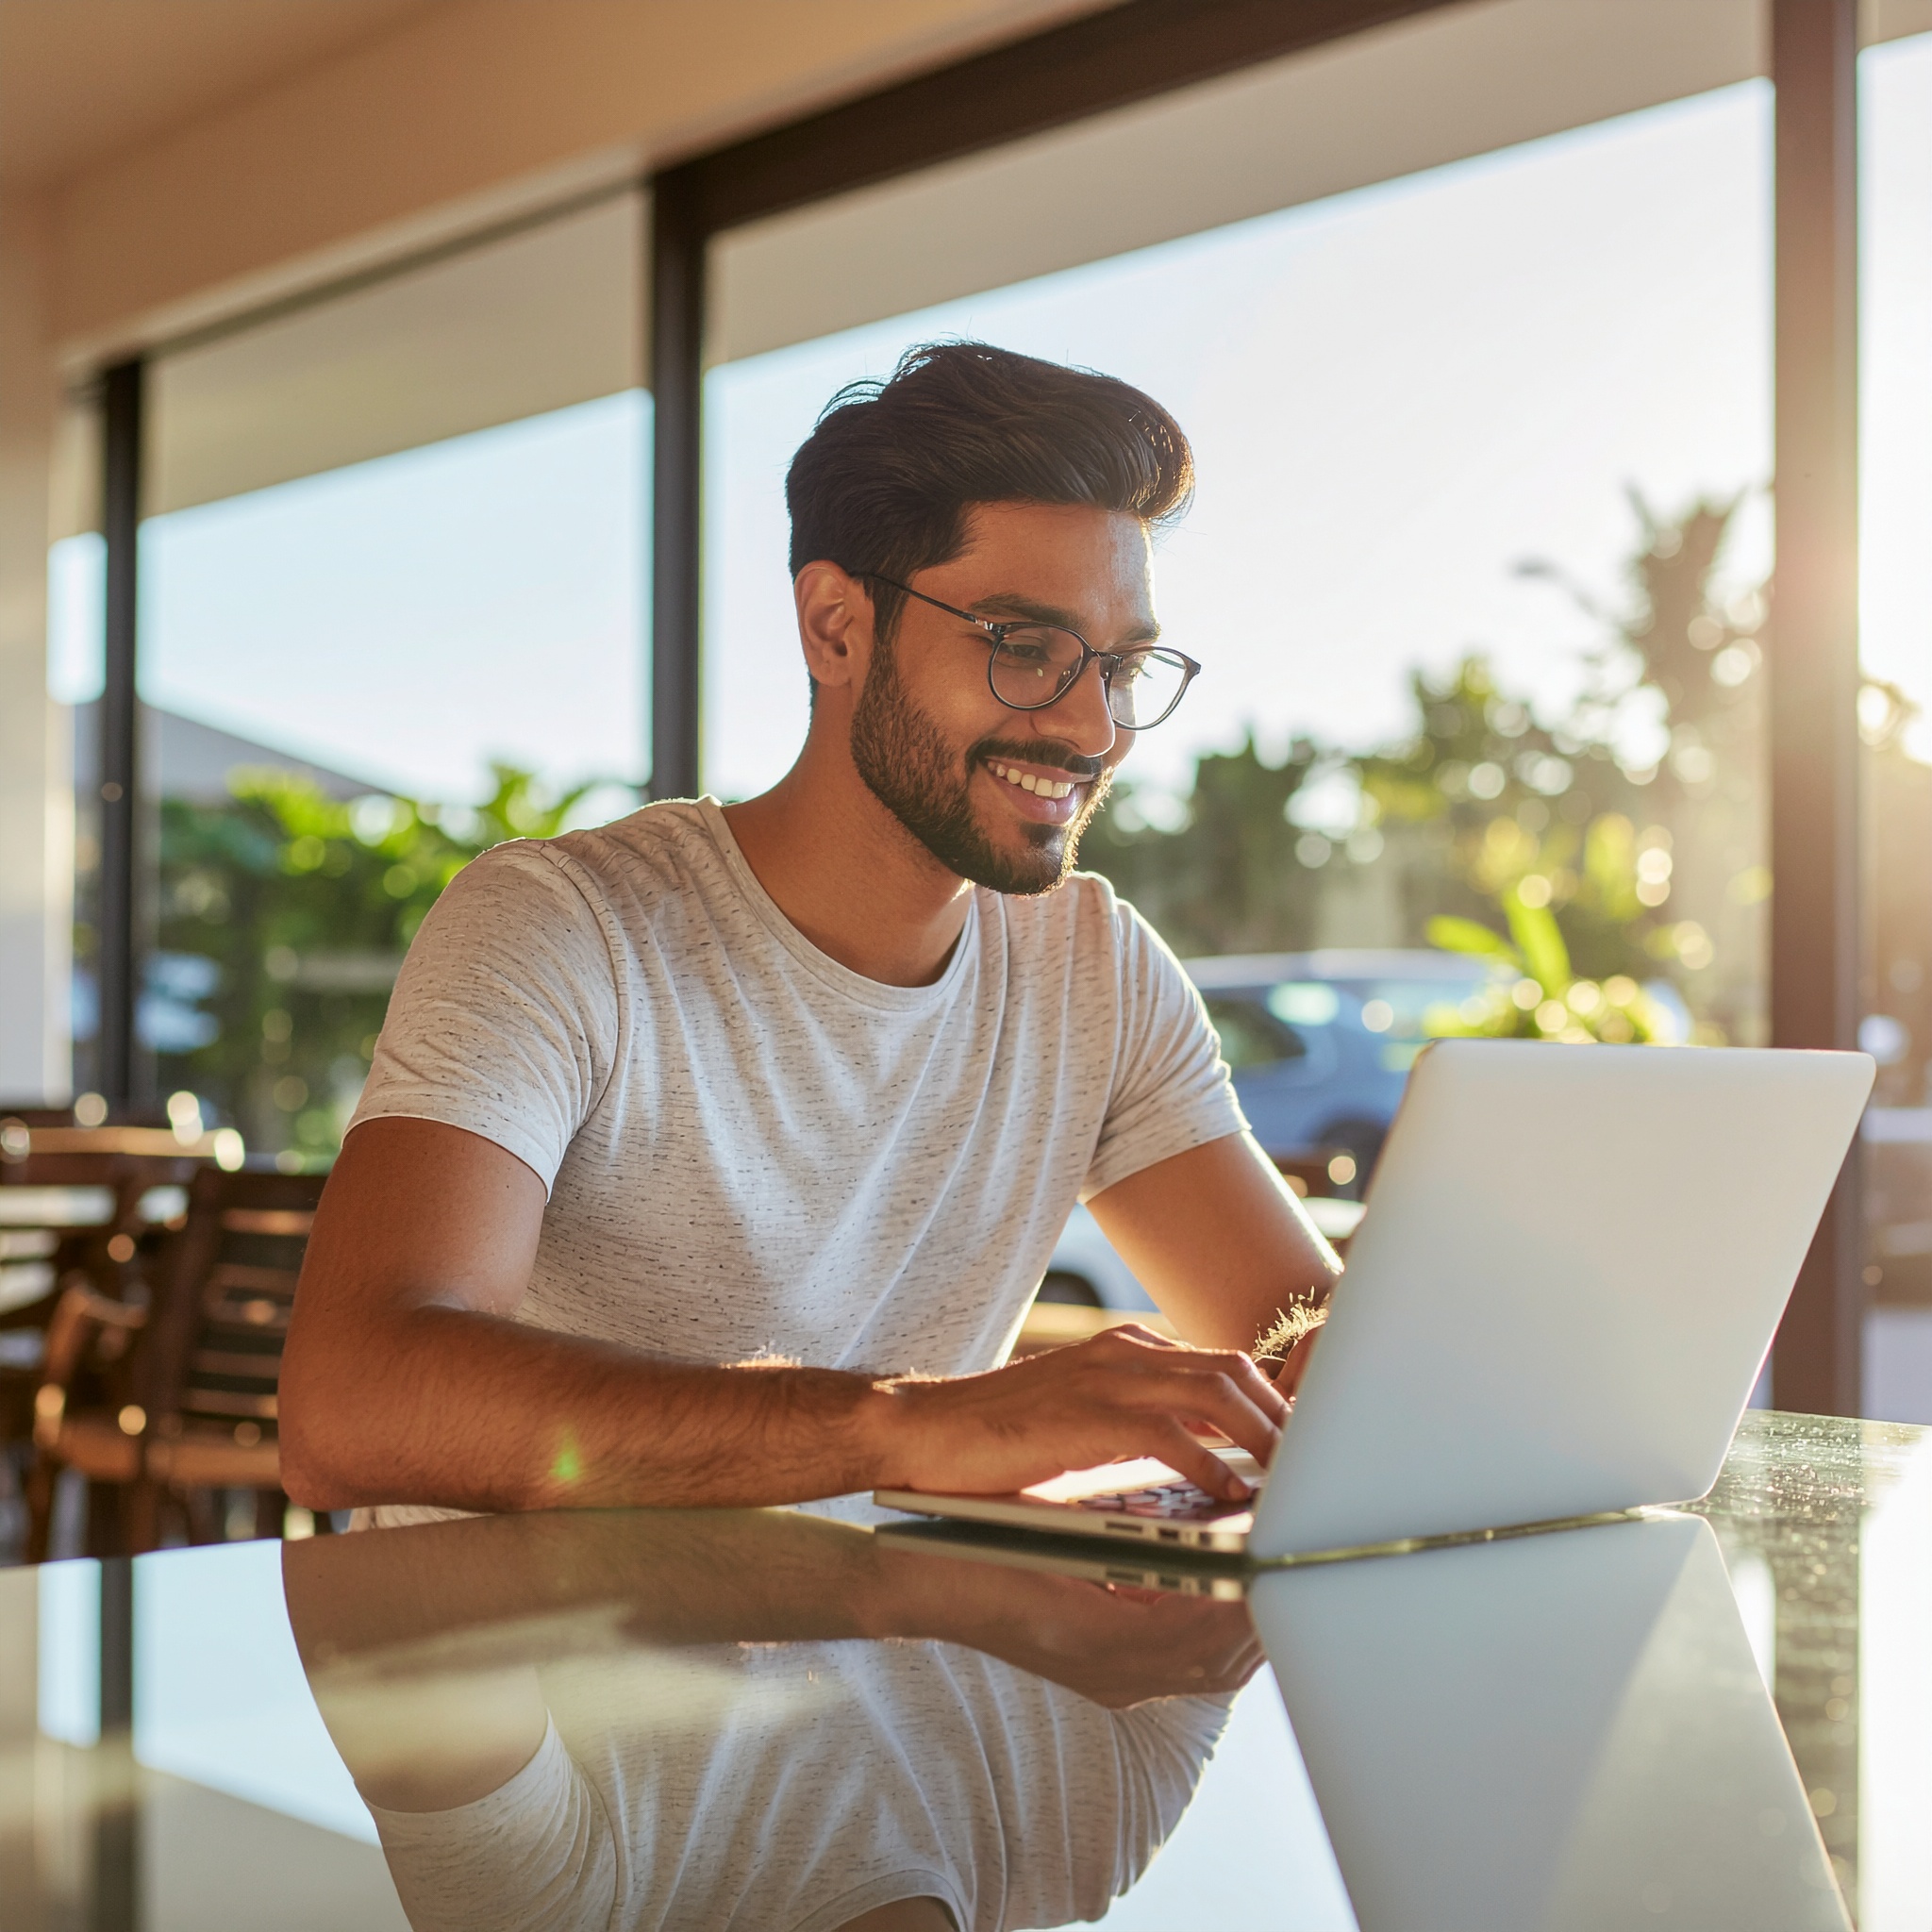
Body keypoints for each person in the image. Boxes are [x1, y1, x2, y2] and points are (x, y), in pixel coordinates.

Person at [279, 341, 1339, 1524]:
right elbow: (349, 1407)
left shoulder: (1093, 968)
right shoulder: (564, 926)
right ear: (837, 627)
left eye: (1122, 664)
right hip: (521, 1683)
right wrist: (912, 1425)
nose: (1094, 727)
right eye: (1021, 647)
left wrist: (1336, 1353)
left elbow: (1300, 1322)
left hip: (878, 1669)